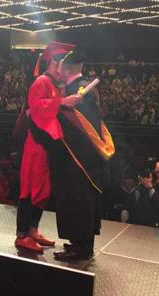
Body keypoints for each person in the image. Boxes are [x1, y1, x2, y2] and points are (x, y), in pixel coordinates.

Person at [13, 41, 79, 253]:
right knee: (30, 189)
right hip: (36, 144)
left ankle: (33, 229)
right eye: (64, 64)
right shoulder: (41, 81)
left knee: (42, 189)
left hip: (48, 145)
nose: (66, 70)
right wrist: (62, 102)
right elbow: (37, 108)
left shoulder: (54, 84)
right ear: (54, 62)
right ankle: (22, 235)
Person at [50, 51, 115, 260]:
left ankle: (82, 247)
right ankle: (79, 242)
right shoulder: (81, 88)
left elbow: (77, 124)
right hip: (83, 156)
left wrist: (58, 105)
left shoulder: (78, 90)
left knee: (79, 199)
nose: (57, 67)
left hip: (79, 156)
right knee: (79, 199)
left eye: (59, 64)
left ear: (67, 68)